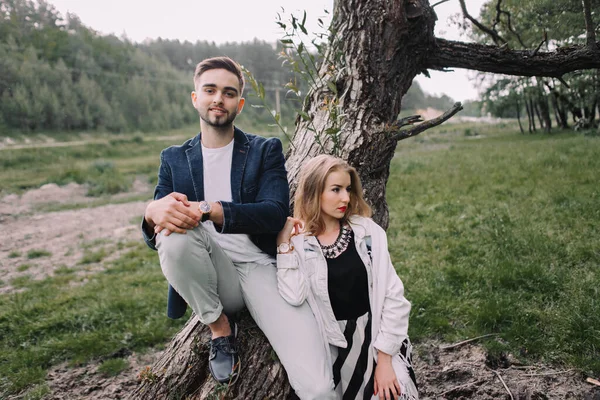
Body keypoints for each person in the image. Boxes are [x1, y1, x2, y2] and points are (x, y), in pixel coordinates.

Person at [142, 56, 336, 399]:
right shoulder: (173, 157)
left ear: (239, 104)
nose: (219, 99)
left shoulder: (264, 150)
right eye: (210, 90)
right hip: (213, 279)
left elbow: (274, 213)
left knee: (318, 385)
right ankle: (219, 328)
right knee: (173, 235)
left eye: (229, 93)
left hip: (260, 268)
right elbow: (158, 227)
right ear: (195, 98)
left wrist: (210, 209)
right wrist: (150, 211)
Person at [276, 155, 419, 400]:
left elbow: (394, 296)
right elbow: (294, 296)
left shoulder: (367, 233)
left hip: (375, 337)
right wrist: (284, 247)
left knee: (392, 393)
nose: (345, 198)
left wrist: (384, 361)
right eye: (336, 190)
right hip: (332, 346)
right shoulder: (299, 243)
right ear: (314, 192)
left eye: (348, 189)